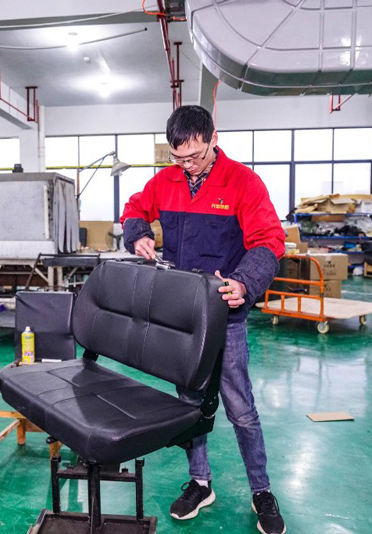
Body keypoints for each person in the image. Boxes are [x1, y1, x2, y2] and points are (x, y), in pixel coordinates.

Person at [120, 105, 286, 534]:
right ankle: (200, 482)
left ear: (214, 139)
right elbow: (134, 208)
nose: (187, 165)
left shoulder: (243, 183)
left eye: (194, 156)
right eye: (178, 158)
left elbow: (269, 240)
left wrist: (245, 282)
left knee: (240, 409)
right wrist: (138, 234)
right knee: (189, 405)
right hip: (183, 315)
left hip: (226, 314)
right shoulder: (166, 180)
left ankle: (262, 490)